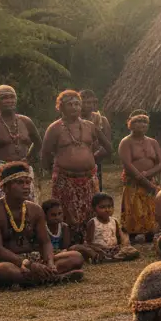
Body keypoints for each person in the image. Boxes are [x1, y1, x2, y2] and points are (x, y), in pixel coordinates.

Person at [0, 162, 84, 286]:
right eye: (20, 183)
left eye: (28, 182)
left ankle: (40, 278)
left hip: (34, 258)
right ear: (5, 187)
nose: (26, 187)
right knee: (1, 270)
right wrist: (27, 264)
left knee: (76, 257)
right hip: (10, 261)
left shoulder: (35, 210)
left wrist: (50, 263)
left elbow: (45, 242)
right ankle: (54, 278)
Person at [41, 89, 111, 231]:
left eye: (77, 104)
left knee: (91, 214)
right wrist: (56, 172)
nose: (74, 107)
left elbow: (108, 147)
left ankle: (91, 241)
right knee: (66, 216)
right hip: (65, 179)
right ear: (61, 107)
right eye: (70, 104)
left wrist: (91, 159)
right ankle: (68, 243)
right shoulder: (54, 128)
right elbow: (45, 155)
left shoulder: (90, 126)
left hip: (89, 178)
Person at [118, 110, 161, 242]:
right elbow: (128, 164)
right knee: (133, 207)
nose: (142, 125)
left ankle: (150, 234)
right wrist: (144, 181)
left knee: (151, 208)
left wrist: (148, 174)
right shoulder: (126, 142)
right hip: (133, 182)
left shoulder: (153, 142)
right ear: (130, 125)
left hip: (150, 179)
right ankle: (132, 235)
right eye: (138, 122)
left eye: (144, 122)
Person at [0, 85, 40, 200]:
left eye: (12, 97)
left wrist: (28, 159)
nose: (9, 101)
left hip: (23, 169)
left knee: (27, 206)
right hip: (0, 171)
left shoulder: (25, 121)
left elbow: (38, 142)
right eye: (4, 98)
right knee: (2, 207)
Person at [76, 192, 140, 263]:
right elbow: (88, 243)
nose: (107, 209)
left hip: (114, 249)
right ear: (94, 209)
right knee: (88, 250)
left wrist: (123, 245)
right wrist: (97, 248)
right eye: (102, 207)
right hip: (100, 249)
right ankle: (106, 258)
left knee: (133, 251)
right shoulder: (93, 222)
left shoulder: (114, 221)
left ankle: (113, 258)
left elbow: (118, 237)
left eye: (109, 206)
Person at [80, 90, 112, 191]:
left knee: (96, 194)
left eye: (90, 102)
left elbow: (108, 146)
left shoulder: (101, 120)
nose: (88, 105)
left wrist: (93, 157)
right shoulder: (73, 121)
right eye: (84, 102)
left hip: (95, 162)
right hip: (75, 164)